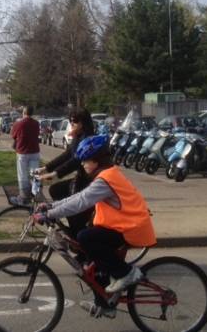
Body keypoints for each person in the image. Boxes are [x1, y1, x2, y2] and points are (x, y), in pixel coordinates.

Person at [33, 134, 156, 319]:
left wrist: (49, 214)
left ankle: (127, 273)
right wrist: (51, 206)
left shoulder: (105, 180)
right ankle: (105, 304)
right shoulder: (106, 175)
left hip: (132, 228)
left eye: (85, 160)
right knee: (92, 258)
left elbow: (80, 202)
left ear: (96, 160)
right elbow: (78, 197)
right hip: (124, 226)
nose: (82, 164)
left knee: (85, 237)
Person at [36, 108, 96, 237]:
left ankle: (78, 229)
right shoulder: (78, 136)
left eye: (74, 121)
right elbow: (67, 154)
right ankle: (74, 224)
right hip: (80, 177)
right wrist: (46, 168)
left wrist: (55, 174)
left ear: (83, 122)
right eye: (70, 120)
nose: (71, 123)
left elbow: (75, 161)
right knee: (55, 190)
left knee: (70, 203)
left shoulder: (88, 138)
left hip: (88, 180)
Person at [10, 106, 41, 205]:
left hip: (22, 152)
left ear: (24, 112)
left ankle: (23, 197)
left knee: (22, 174)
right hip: (34, 151)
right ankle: (36, 194)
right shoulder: (36, 124)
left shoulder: (18, 124)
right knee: (35, 173)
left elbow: (13, 135)